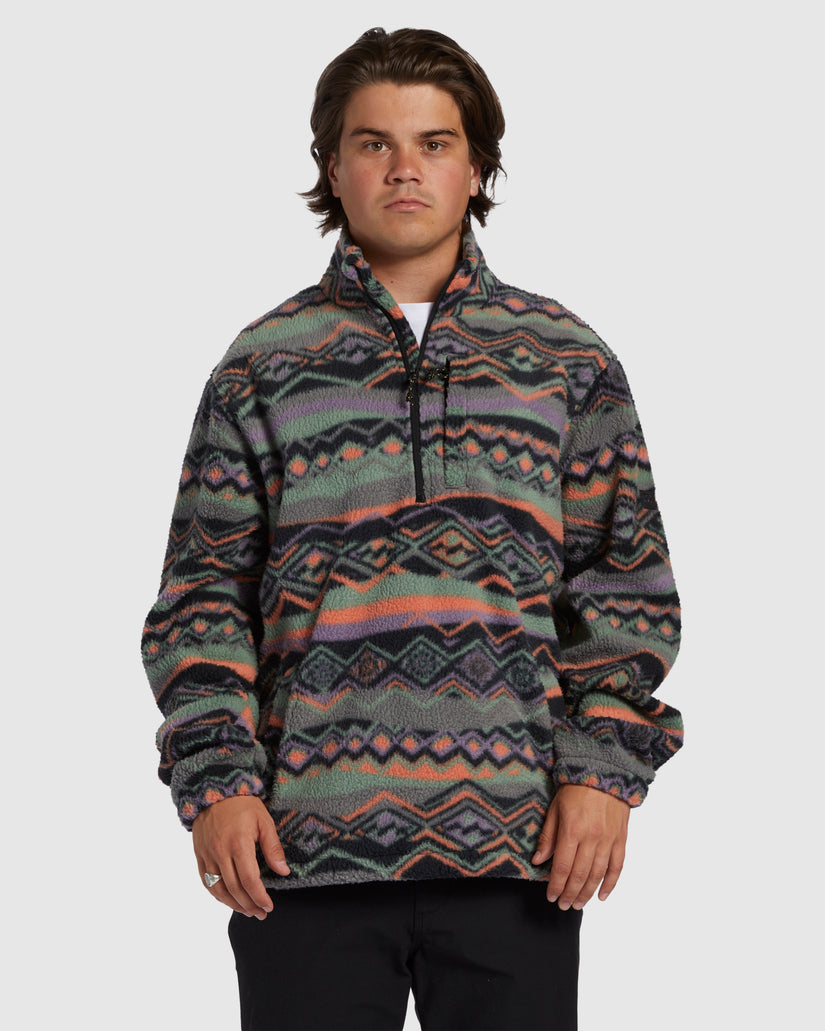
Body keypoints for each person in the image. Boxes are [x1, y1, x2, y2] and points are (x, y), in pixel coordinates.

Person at [142, 26, 683, 1031]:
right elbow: (202, 594)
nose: (404, 168)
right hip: (300, 850)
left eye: (434, 143)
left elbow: (623, 586)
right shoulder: (263, 365)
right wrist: (216, 782)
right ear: (332, 168)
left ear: (476, 168)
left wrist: (603, 773)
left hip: (517, 851)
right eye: (374, 143)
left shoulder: (565, 362)